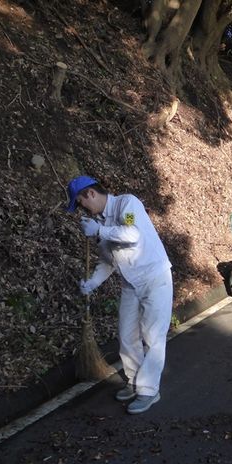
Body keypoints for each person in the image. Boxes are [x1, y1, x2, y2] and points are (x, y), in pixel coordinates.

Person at [67, 175, 173, 415]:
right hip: (130, 285)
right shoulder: (101, 224)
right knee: (126, 336)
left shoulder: (126, 205)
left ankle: (148, 390)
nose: (84, 209)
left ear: (90, 194)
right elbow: (108, 262)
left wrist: (100, 231)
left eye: (82, 203)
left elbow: (132, 233)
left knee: (153, 337)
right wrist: (92, 282)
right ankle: (135, 381)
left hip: (155, 279)